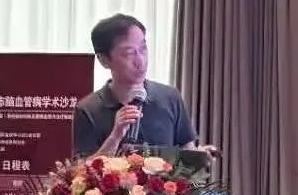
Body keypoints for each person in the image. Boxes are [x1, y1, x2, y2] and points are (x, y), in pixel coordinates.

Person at [73, 14, 207, 159]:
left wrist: (199, 157)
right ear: (104, 60)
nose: (140, 60)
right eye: (129, 53)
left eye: (143, 49)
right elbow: (82, 170)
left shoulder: (170, 98)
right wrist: (115, 137)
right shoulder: (88, 109)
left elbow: (187, 153)